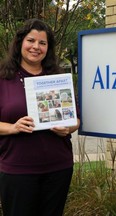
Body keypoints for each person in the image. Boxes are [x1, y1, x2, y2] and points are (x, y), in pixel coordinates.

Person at [0, 18, 81, 216]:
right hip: (17, 170)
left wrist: (68, 128)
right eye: (31, 40)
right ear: (20, 43)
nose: (36, 47)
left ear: (48, 48)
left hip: (58, 168)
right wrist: (12, 127)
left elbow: (77, 118)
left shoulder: (57, 78)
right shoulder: (3, 78)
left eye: (42, 43)